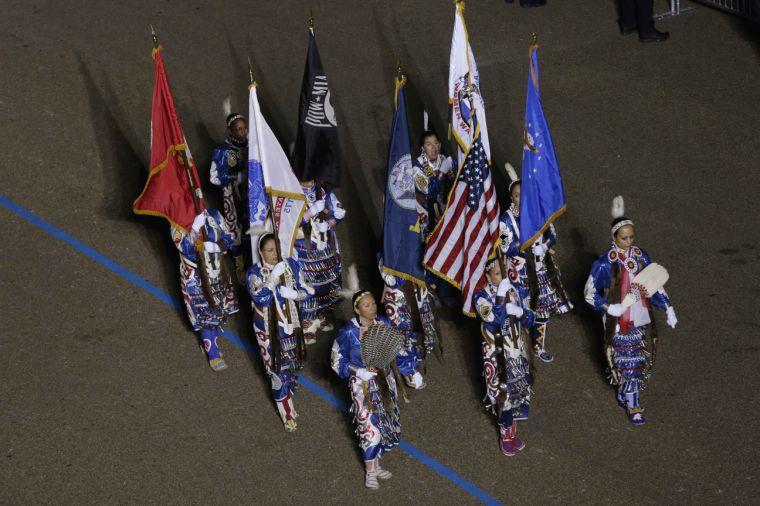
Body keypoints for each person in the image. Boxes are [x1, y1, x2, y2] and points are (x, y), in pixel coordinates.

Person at [584, 196, 678, 425]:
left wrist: (668, 307)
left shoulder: (640, 255)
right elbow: (589, 293)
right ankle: (633, 404)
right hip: (618, 319)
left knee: (636, 358)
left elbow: (653, 283)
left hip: (638, 315)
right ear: (614, 237)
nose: (628, 242)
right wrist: (609, 307)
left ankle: (625, 393)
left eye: (631, 237)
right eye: (623, 238)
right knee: (629, 360)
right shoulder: (604, 263)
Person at [331, 290, 417, 489]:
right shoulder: (348, 332)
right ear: (356, 309)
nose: (372, 308)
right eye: (367, 305)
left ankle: (376, 465)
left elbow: (398, 348)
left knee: (384, 423)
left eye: (373, 304)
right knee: (368, 428)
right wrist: (358, 371)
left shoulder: (384, 324)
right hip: (362, 387)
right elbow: (336, 361)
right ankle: (370, 472)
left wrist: (411, 371)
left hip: (385, 382)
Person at [499, 164, 572, 363]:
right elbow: (506, 248)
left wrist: (545, 245)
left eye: (524, 194)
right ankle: (519, 347)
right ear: (511, 197)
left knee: (543, 310)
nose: (521, 198)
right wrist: (527, 246)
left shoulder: (539, 212)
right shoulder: (506, 220)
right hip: (520, 272)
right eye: (516, 195)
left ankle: (538, 346)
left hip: (540, 269)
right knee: (521, 310)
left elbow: (553, 234)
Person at [247, 233, 314, 432]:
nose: (274, 254)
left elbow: (308, 289)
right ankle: (286, 412)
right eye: (269, 250)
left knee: (292, 365)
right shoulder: (254, 273)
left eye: (276, 249)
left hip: (292, 326)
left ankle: (289, 389)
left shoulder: (291, 264)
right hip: (268, 331)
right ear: (260, 252)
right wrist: (274, 277)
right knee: (276, 371)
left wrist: (295, 294)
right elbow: (261, 298)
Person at [474, 259, 534, 456]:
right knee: (502, 395)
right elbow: (495, 320)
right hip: (497, 353)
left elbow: (531, 318)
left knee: (519, 391)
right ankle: (504, 434)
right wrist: (501, 298)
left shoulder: (515, 289)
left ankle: (513, 433)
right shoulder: (481, 297)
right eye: (498, 274)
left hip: (516, 349)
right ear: (488, 276)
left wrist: (521, 312)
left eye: (504, 272)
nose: (502, 277)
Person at [172, 209, 239, 371]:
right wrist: (195, 229)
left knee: (217, 309)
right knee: (203, 313)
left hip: (216, 270)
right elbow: (184, 247)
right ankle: (213, 352)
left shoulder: (213, 215)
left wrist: (216, 246)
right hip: (195, 275)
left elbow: (230, 237)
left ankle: (210, 339)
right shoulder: (177, 219)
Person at [294, 180, 346, 343]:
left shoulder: (322, 192)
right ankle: (307, 323)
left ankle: (320, 314)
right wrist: (310, 213)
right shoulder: (290, 190)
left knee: (328, 283)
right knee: (309, 284)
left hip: (325, 247)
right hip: (304, 247)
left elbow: (338, 213)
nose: (309, 182)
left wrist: (329, 223)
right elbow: (289, 222)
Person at [210, 106, 248, 282]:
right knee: (236, 229)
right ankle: (240, 265)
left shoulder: (254, 143)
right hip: (233, 196)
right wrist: (239, 176)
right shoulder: (223, 151)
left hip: (252, 192)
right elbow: (215, 177)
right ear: (231, 131)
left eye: (243, 127)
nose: (242, 132)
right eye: (238, 129)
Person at [378, 255, 426, 389]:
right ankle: (407, 368)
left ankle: (412, 360)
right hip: (398, 292)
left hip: (412, 283)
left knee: (414, 327)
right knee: (400, 329)